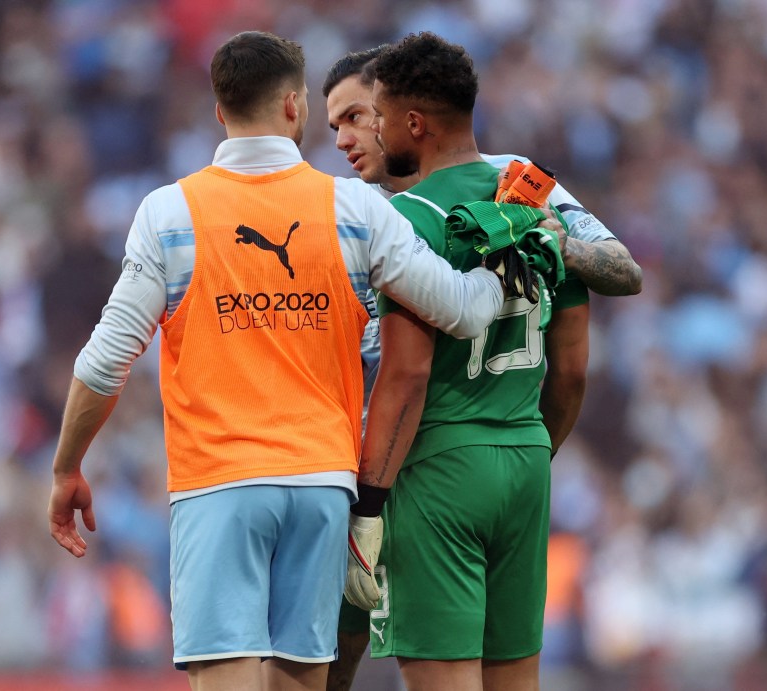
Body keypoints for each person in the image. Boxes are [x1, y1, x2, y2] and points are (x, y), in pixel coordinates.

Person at [46, 30, 518, 691]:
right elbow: (464, 311)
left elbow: (104, 361)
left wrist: (68, 464)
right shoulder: (354, 207)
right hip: (322, 483)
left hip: (220, 483)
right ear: (295, 105)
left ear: (220, 111)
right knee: (301, 677)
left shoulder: (170, 213)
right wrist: (511, 263)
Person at [322, 43, 639, 691]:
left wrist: (371, 502)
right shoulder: (531, 199)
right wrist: (524, 449)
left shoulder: (399, 218)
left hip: (423, 464)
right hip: (522, 454)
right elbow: (573, 365)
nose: (360, 135)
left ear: (412, 121)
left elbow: (405, 375)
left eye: (368, 116)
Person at [323, 47, 643, 297]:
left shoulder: (512, 176)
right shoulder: (348, 213)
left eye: (355, 116)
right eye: (336, 127)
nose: (341, 141)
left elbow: (627, 272)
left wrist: (566, 248)